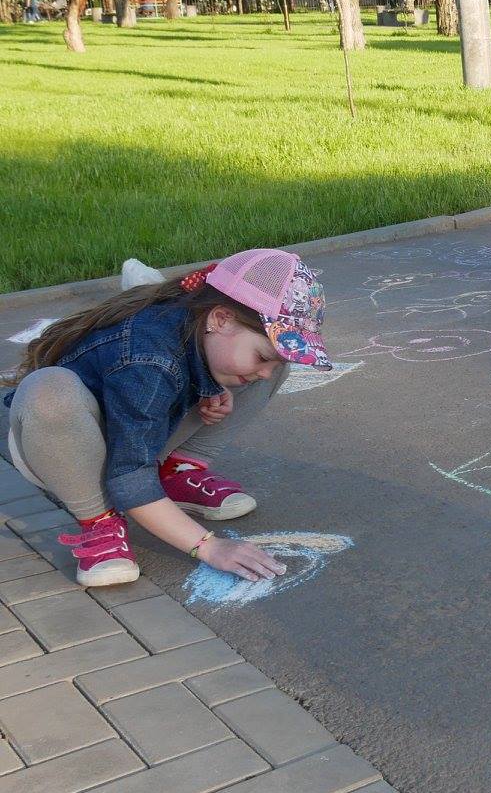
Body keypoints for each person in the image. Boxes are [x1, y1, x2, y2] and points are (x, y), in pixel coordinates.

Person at [2, 250, 334, 588]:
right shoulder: (148, 358)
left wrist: (209, 385)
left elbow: (192, 373)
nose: (265, 372)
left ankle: (175, 472)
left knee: (264, 369)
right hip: (62, 447)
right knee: (48, 392)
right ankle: (99, 519)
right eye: (262, 355)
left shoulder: (197, 319)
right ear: (220, 319)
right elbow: (128, 475)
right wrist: (209, 547)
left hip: (138, 431)